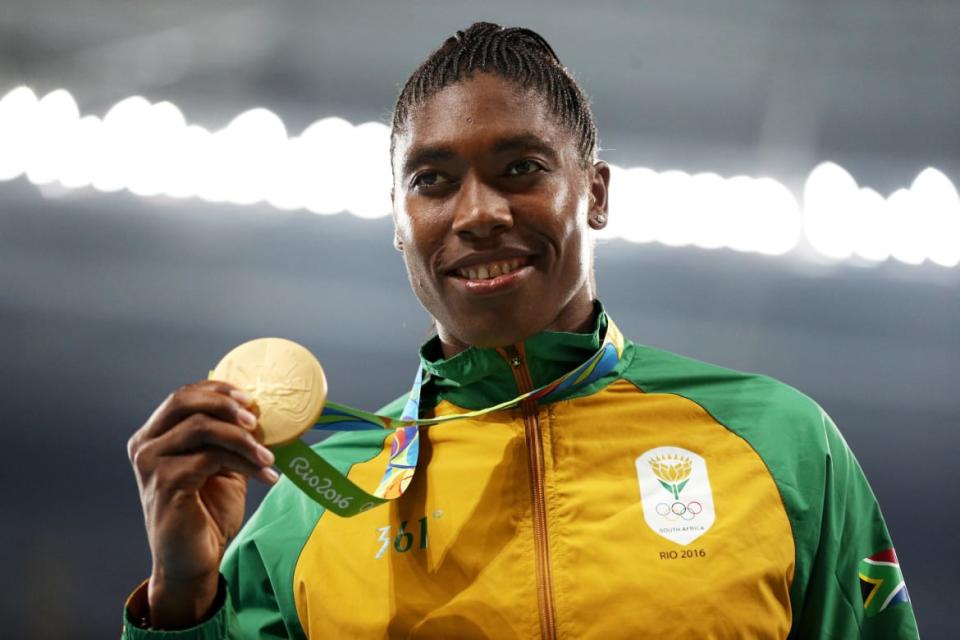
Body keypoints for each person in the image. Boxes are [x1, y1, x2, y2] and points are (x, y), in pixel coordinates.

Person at [122, 22, 920, 639]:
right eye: (432, 181)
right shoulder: (308, 503)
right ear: (400, 222)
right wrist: (184, 600)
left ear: (596, 193)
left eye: (521, 169)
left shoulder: (780, 443)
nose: (477, 213)